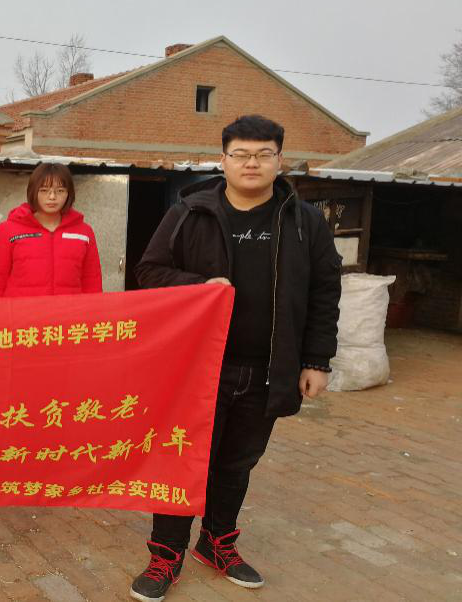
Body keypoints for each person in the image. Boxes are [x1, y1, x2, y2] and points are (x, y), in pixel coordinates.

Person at [129, 115, 341, 601]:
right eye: (241, 154)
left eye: (263, 154)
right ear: (222, 159)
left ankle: (216, 542)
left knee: (237, 463)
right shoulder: (190, 213)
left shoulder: (304, 221)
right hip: (198, 370)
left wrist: (317, 360)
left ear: (279, 160)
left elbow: (325, 292)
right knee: (184, 460)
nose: (252, 163)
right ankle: (166, 553)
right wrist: (198, 285)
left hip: (268, 368)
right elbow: (149, 270)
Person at [0, 162, 102, 297]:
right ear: (33, 191)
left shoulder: (84, 232)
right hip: (22, 310)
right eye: (44, 190)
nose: (52, 197)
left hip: (69, 310)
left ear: (69, 193)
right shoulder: (7, 230)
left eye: (60, 191)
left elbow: (92, 283)